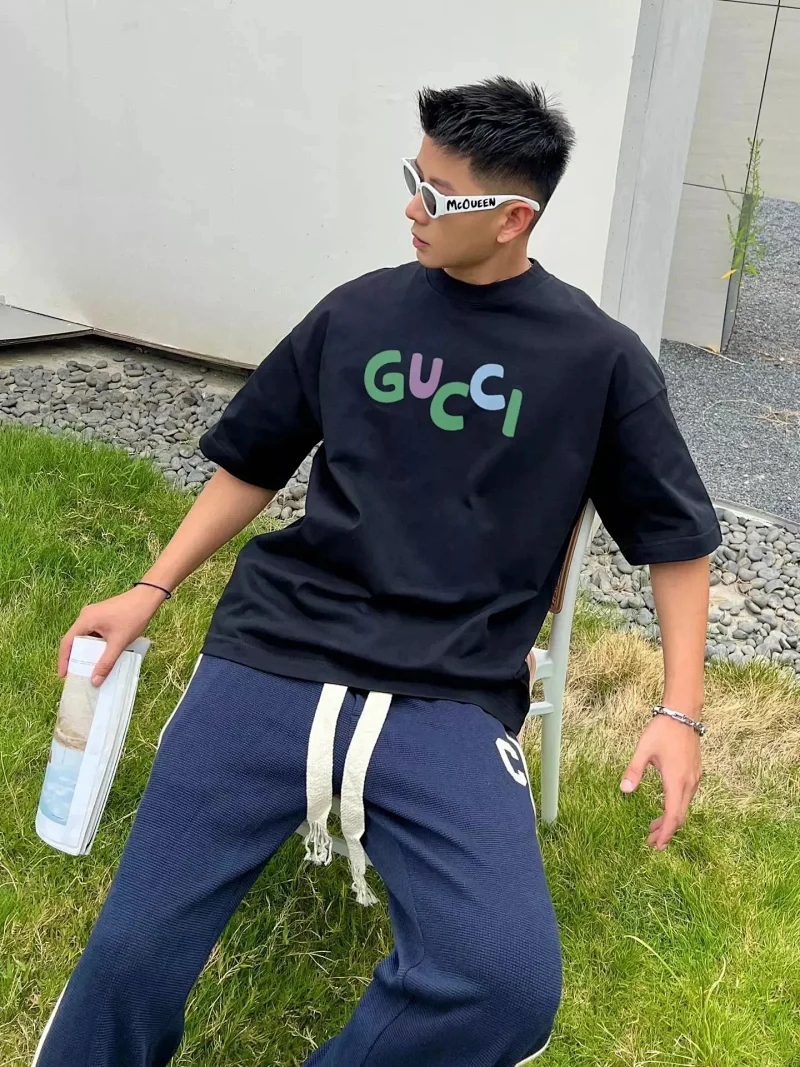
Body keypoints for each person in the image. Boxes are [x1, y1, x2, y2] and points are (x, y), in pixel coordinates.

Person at [33, 76, 721, 1066]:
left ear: (513, 218)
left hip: (451, 685)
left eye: (437, 195)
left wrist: (678, 710)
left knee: (503, 984)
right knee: (131, 954)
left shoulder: (596, 360)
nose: (412, 207)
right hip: (278, 646)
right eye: (413, 178)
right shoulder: (356, 314)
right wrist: (150, 588)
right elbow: (254, 459)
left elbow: (675, 540)